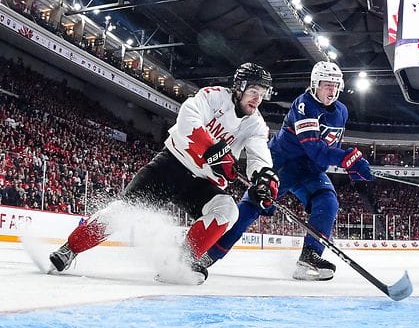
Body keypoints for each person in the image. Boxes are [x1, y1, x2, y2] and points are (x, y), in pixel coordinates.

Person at [47, 63, 279, 285]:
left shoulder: (256, 124)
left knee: (227, 210)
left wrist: (264, 177)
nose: (257, 99)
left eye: (263, 93)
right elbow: (188, 118)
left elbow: (258, 151)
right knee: (125, 210)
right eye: (253, 91)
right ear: (239, 87)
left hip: (202, 183)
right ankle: (70, 249)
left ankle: (180, 263)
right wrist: (214, 151)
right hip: (171, 166)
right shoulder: (213, 96)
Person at [205, 61, 373, 281]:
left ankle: (309, 258)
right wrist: (348, 159)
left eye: (334, 85)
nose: (331, 90)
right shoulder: (304, 105)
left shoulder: (341, 111)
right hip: (281, 166)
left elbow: (330, 148)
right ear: (314, 85)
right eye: (325, 85)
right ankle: (205, 255)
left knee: (328, 202)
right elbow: (314, 148)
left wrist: (353, 166)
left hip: (310, 171)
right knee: (249, 210)